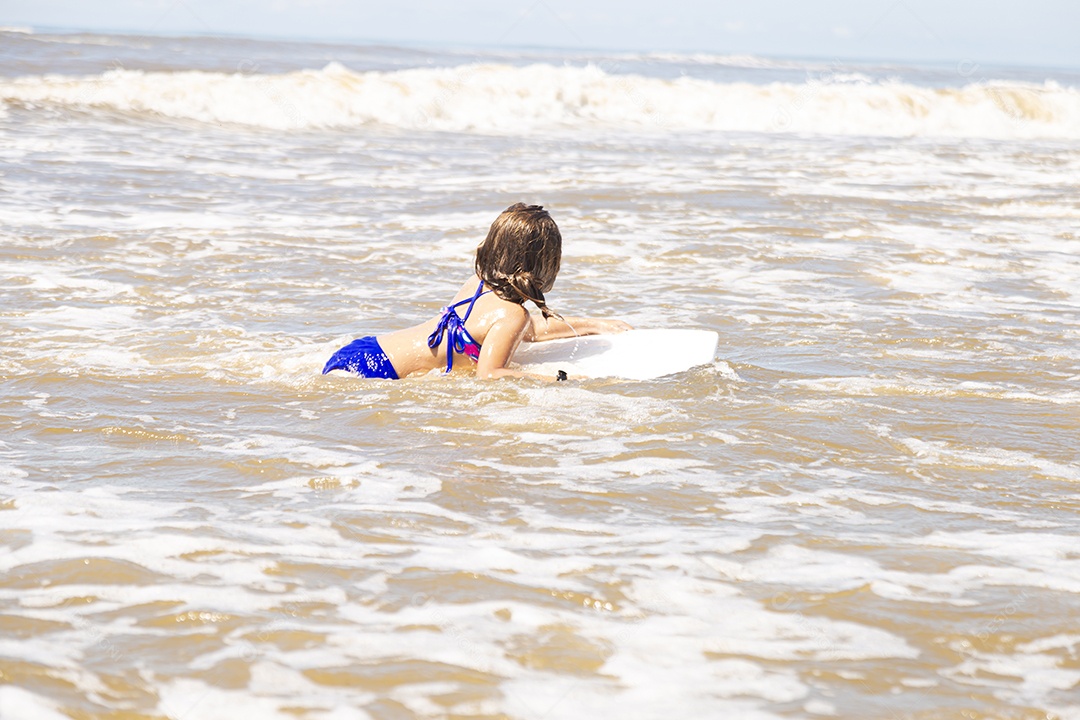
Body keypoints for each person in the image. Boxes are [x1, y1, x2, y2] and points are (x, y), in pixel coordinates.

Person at [322, 203, 631, 381]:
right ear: (546, 264)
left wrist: (592, 325)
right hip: (378, 372)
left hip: (364, 350)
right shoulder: (513, 315)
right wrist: (559, 379)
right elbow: (491, 373)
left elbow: (526, 331)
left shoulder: (478, 283)